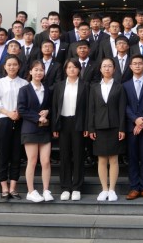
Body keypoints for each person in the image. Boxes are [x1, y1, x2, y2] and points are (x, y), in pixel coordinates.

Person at [0, 54, 28, 200]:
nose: (12, 67)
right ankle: (4, 187)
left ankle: (13, 187)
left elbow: (27, 102)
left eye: (15, 64)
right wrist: (8, 113)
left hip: (19, 120)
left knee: (17, 155)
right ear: (4, 67)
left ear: (19, 66)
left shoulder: (24, 83)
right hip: (4, 120)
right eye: (9, 64)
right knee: (3, 154)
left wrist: (18, 113)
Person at [88, 58, 127, 202]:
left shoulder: (119, 87)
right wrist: (91, 128)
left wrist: (122, 128)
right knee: (102, 159)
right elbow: (91, 109)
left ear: (114, 69)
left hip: (115, 126)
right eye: (104, 66)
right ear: (100, 69)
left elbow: (122, 109)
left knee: (114, 159)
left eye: (110, 66)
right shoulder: (94, 87)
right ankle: (104, 189)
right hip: (99, 127)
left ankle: (112, 190)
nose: (107, 69)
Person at [51, 59, 89, 201]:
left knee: (78, 155)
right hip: (63, 123)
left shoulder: (85, 85)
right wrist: (55, 126)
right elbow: (55, 106)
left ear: (79, 69)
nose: (72, 69)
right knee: (64, 155)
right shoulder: (59, 86)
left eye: (74, 67)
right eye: (69, 67)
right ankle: (66, 187)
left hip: (78, 123)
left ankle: (77, 187)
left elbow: (88, 108)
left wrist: (87, 126)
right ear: (65, 70)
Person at [19, 60, 53, 202]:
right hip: (30, 129)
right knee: (32, 161)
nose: (39, 72)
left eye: (41, 70)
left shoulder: (47, 89)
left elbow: (51, 106)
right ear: (30, 72)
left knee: (46, 161)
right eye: (36, 70)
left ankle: (46, 190)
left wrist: (47, 112)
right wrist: (38, 118)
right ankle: (31, 191)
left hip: (44, 129)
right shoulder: (24, 89)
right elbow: (21, 109)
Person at [123, 54, 143, 201]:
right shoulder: (125, 85)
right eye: (134, 63)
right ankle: (134, 187)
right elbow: (124, 105)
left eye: (140, 63)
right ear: (130, 67)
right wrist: (135, 120)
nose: (137, 66)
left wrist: (141, 122)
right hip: (131, 127)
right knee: (133, 158)